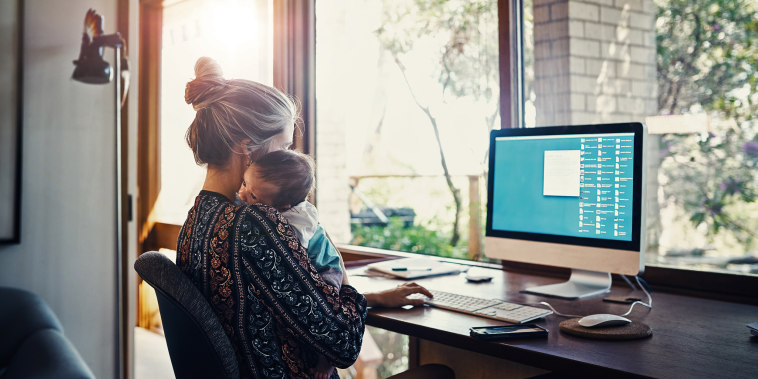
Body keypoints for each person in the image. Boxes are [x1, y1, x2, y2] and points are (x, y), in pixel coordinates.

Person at [176, 56, 452, 379]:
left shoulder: (195, 224)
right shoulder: (254, 225)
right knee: (440, 374)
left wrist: (371, 299)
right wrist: (334, 258)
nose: (290, 161)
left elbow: (287, 304)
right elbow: (344, 345)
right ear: (248, 150)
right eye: (284, 149)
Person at [237, 149, 342, 379]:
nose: (242, 194)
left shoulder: (297, 221)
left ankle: (327, 360)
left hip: (326, 268)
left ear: (282, 206)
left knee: (327, 309)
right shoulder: (271, 205)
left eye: (253, 196)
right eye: (244, 183)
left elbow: (292, 251)